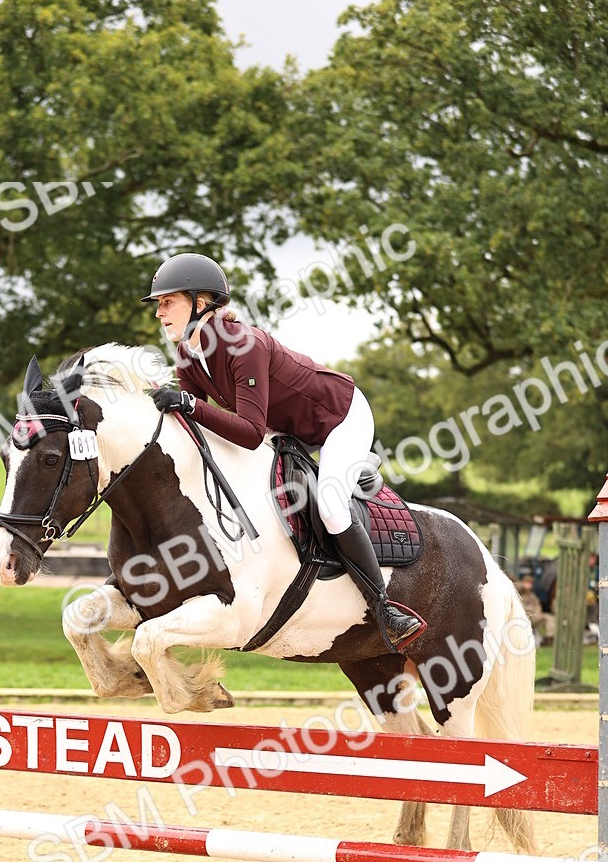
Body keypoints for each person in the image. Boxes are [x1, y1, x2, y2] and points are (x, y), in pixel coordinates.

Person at [142, 252, 424, 648]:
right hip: (286, 429)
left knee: (330, 505)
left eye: (167, 301)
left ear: (200, 303)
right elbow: (194, 426)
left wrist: (188, 404)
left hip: (339, 418)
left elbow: (249, 433)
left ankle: (384, 609)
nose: (159, 312)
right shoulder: (188, 353)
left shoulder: (244, 344)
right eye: (158, 304)